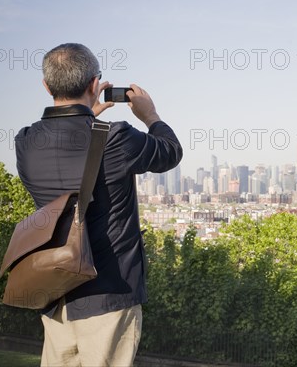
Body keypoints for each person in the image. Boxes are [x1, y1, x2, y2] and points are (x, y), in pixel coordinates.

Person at [15, 43, 183, 366]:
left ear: (46, 86)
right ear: (95, 85)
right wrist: (150, 115)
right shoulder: (116, 138)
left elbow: (64, 167)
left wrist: (87, 120)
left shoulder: (25, 144)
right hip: (109, 298)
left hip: (54, 296)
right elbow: (170, 152)